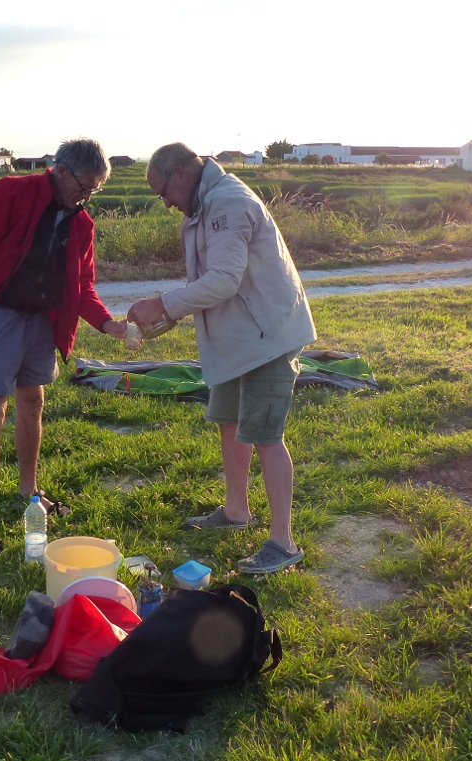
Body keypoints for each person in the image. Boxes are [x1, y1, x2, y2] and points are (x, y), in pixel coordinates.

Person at [128, 143, 317, 574]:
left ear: (179, 173)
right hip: (237, 340)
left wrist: (164, 302)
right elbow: (207, 282)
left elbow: (225, 281)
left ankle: (283, 542)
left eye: (164, 192)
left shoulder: (228, 204)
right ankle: (236, 511)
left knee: (266, 435)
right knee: (229, 422)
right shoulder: (202, 209)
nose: (166, 203)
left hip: (267, 335)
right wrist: (170, 314)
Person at [0, 138, 128, 553]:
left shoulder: (82, 224)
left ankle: (28, 492)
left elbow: (83, 286)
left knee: (33, 401)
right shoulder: (13, 192)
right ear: (61, 170)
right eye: (85, 185)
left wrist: (107, 324)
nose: (88, 196)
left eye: (96, 189)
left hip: (41, 321)